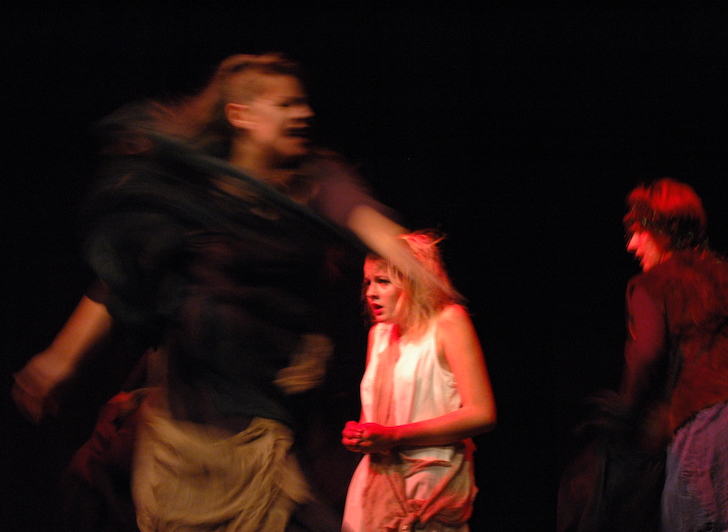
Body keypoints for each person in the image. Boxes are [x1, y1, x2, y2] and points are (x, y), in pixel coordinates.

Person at [14, 52, 437, 532]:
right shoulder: (195, 194)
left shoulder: (315, 178)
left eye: (303, 103)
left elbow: (358, 212)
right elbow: (124, 276)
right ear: (241, 115)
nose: (304, 114)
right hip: (197, 418)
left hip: (276, 411)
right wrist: (61, 358)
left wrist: (406, 253)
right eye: (286, 105)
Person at [620, 178, 728, 531]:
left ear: (662, 230)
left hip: (715, 424)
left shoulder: (653, 284)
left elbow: (647, 354)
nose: (631, 245)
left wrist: (624, 418)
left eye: (638, 231)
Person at [340, 230, 496, 532]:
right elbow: (372, 420)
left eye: (383, 281)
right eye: (368, 282)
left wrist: (395, 435)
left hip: (427, 490)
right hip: (374, 487)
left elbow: (482, 413)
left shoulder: (448, 322)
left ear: (412, 281)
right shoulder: (379, 335)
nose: (371, 292)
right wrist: (360, 436)